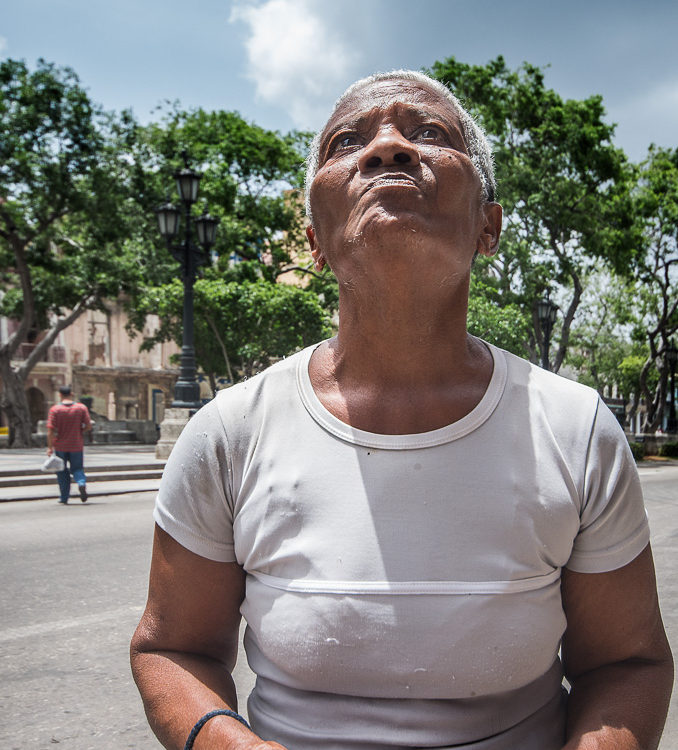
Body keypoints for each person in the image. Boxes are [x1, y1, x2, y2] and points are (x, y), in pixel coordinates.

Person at [130, 71, 673, 750]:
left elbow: (628, 663)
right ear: (315, 242)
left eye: (428, 134)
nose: (387, 148)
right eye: (347, 141)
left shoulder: (577, 430)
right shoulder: (229, 433)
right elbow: (171, 649)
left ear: (488, 225)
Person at [46, 385, 92, 504]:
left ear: (60, 395)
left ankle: (64, 497)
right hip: (76, 444)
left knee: (61, 471)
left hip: (60, 445)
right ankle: (81, 483)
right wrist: (79, 431)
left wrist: (50, 447)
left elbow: (50, 430)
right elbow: (88, 426)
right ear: (71, 394)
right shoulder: (81, 408)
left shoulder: (55, 410)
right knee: (77, 468)